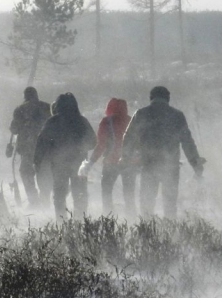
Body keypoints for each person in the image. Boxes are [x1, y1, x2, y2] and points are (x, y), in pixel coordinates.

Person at [121, 86, 205, 219]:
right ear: (168, 98)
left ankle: (147, 233)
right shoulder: (177, 115)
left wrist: (126, 157)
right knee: (170, 204)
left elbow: (128, 137)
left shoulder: (141, 113)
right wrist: (195, 164)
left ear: (151, 98)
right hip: (171, 166)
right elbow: (187, 142)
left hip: (148, 165)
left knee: (147, 203)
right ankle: (169, 234)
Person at [34, 92, 96, 218]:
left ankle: (61, 223)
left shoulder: (52, 121)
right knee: (80, 194)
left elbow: (41, 142)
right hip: (79, 163)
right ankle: (80, 222)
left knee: (59, 195)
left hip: (58, 164)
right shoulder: (82, 121)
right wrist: (80, 147)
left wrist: (37, 161)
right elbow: (93, 142)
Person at [87, 98, 136, 216]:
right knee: (129, 193)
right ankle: (132, 217)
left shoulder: (106, 122)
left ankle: (108, 217)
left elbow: (101, 145)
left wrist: (91, 162)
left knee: (107, 191)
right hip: (129, 162)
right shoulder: (131, 121)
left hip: (111, 161)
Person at [9, 86, 51, 207]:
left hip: (28, 148)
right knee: (44, 173)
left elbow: (14, 129)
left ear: (25, 96)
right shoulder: (47, 107)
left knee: (26, 172)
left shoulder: (20, 109)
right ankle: (45, 200)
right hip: (46, 148)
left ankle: (33, 201)